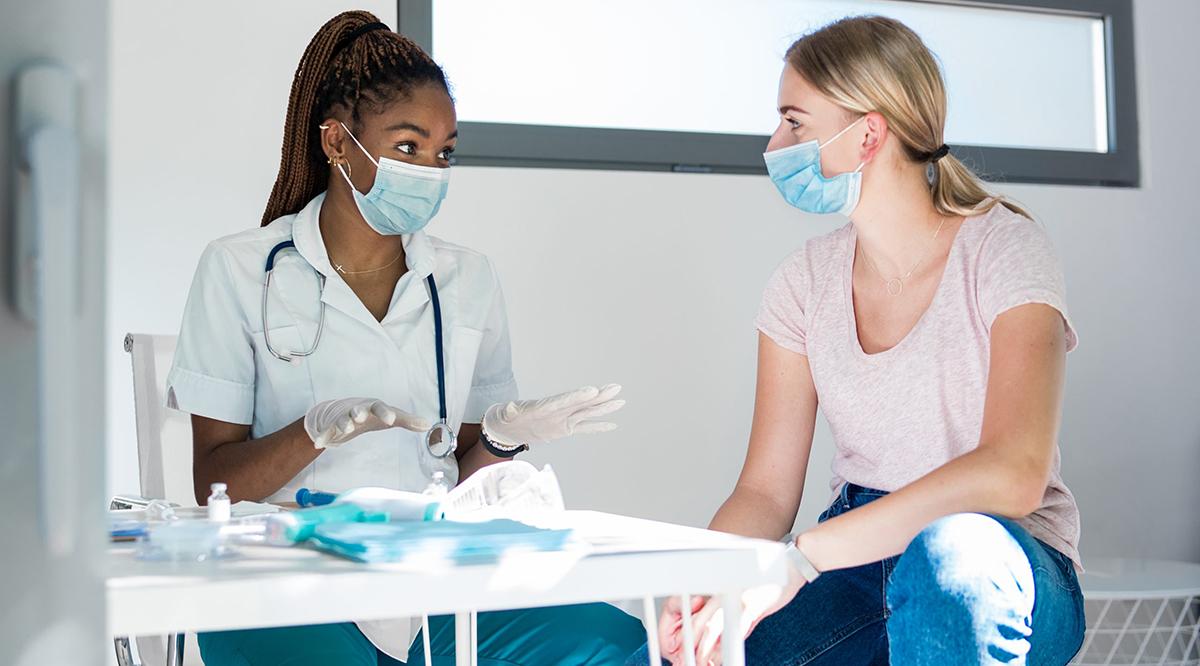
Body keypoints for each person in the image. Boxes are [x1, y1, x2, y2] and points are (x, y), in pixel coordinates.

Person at [166, 11, 643, 665]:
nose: (430, 171)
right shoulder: (240, 268)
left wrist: (503, 437)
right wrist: (311, 432)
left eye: (444, 152)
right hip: (277, 574)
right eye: (408, 147)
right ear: (337, 142)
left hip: (431, 573)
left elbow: (458, 476)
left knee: (612, 641)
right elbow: (214, 481)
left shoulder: (467, 279)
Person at [636, 15, 1085, 666]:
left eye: (794, 121)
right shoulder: (802, 283)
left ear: (868, 134)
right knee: (677, 653)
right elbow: (764, 492)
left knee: (947, 568)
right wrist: (708, 583)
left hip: (1002, 552)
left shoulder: (1005, 250)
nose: (774, 142)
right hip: (856, 550)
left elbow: (1013, 474)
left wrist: (802, 558)